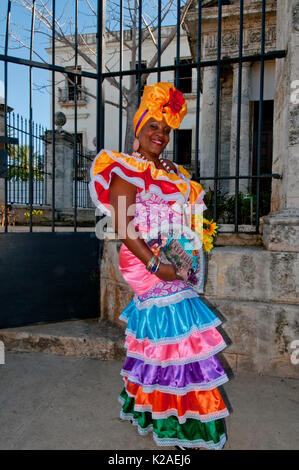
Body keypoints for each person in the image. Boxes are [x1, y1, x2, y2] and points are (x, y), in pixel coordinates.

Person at [89, 82, 229, 450]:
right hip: (144, 262)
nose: (161, 135)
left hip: (166, 261)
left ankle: (152, 409)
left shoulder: (167, 170)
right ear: (138, 128)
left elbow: (182, 213)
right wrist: (156, 266)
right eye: (153, 126)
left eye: (166, 130)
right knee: (181, 334)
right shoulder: (126, 168)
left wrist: (185, 252)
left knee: (159, 338)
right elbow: (123, 225)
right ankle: (184, 421)